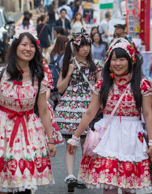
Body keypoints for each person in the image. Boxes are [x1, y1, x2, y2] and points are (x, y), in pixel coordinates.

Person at [67, 38, 152, 194]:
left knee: (130, 186)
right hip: (108, 136)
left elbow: (148, 114)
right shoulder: (103, 84)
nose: (118, 63)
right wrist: (75, 137)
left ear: (131, 61)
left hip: (132, 137)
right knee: (109, 186)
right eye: (114, 59)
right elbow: (90, 112)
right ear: (109, 61)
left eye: (122, 59)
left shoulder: (142, 84)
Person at [0, 28, 56, 192]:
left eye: (31, 46)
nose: (28, 49)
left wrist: (50, 139)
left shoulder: (39, 77)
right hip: (2, 130)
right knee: (1, 181)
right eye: (24, 44)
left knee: (25, 180)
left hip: (29, 131)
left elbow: (43, 110)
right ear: (15, 47)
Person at [55, 30, 101, 192]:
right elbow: (60, 88)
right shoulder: (68, 63)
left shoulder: (96, 65)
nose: (85, 49)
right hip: (70, 110)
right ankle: (70, 177)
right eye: (82, 46)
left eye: (87, 45)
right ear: (75, 47)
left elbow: (101, 86)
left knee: (87, 145)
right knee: (71, 144)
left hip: (89, 107)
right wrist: (69, 72)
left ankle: (82, 176)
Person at [48, 35, 69, 109]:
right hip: (60, 81)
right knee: (61, 104)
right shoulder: (65, 55)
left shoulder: (52, 54)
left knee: (51, 103)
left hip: (52, 81)